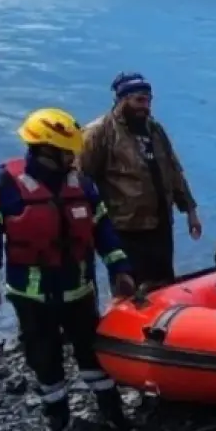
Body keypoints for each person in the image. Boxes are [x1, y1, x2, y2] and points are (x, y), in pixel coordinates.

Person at [0, 108, 136, 431]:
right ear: (47, 149)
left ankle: (112, 411)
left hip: (78, 289)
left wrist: (119, 267)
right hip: (31, 294)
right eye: (67, 152)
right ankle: (57, 417)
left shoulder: (83, 185)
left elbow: (103, 231)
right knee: (43, 356)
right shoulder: (2, 186)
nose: (73, 158)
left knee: (92, 352)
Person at [78, 72, 202, 290]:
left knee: (164, 287)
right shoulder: (98, 133)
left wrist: (190, 211)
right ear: (122, 100)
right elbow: (81, 181)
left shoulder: (154, 129)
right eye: (139, 100)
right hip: (125, 230)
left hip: (161, 226)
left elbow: (173, 171)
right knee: (132, 291)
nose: (146, 106)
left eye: (149, 100)